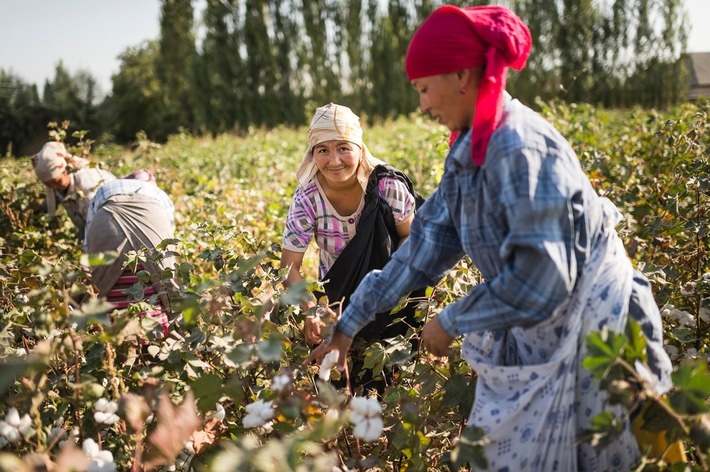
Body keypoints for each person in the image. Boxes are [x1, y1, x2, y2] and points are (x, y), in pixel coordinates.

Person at [308, 5, 674, 470]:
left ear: (462, 76)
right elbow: (420, 250)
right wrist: (347, 326)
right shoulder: (469, 148)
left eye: (424, 88)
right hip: (541, 331)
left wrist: (452, 318)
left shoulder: (519, 147)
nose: (422, 105)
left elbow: (543, 278)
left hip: (592, 334)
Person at [281, 102, 424, 393]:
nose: (334, 160)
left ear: (360, 147)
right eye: (323, 150)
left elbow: (411, 238)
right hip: (338, 300)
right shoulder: (308, 199)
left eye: (343, 147)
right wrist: (310, 309)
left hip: (391, 295)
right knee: (340, 386)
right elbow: (289, 266)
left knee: (389, 381)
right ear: (313, 154)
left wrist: (393, 282)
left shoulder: (386, 187)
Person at [84, 177, 177, 336]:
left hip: (106, 220)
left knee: (104, 283)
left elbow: (87, 244)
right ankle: (153, 336)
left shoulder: (105, 190)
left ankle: (109, 338)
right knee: (161, 283)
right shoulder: (158, 194)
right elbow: (169, 232)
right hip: (151, 217)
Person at [31, 141, 116, 240]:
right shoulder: (57, 185)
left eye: (56, 182)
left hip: (110, 224)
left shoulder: (86, 183)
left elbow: (99, 222)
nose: (54, 187)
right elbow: (48, 203)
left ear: (65, 170)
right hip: (86, 227)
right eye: (48, 184)